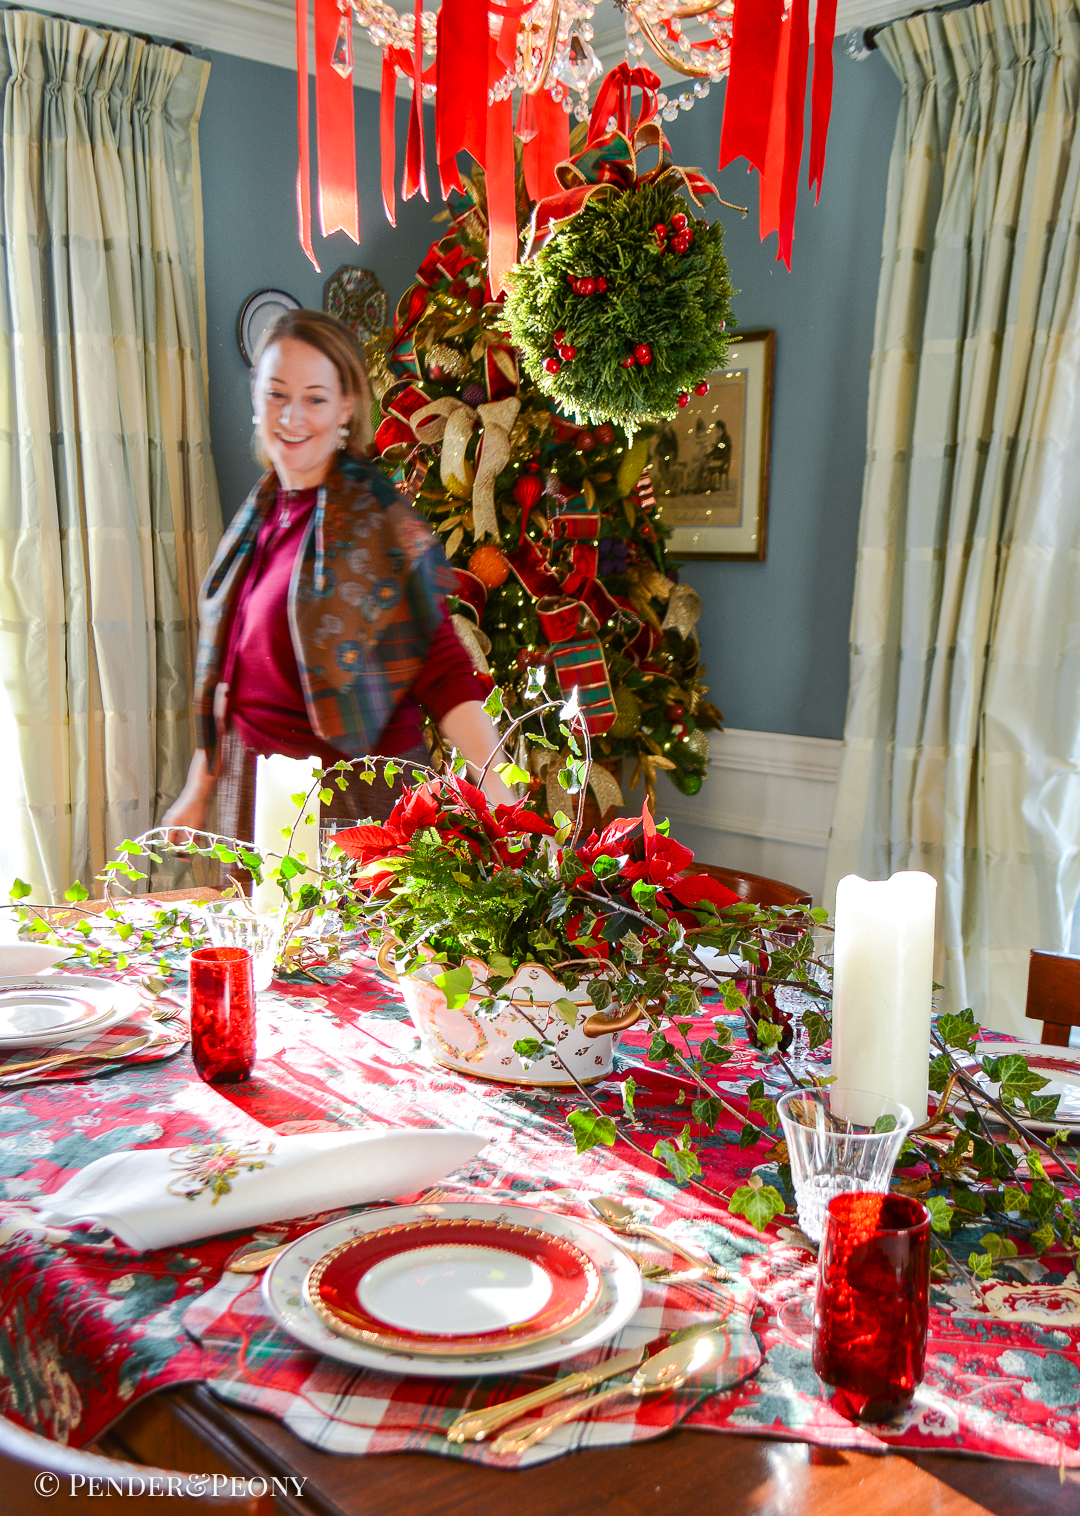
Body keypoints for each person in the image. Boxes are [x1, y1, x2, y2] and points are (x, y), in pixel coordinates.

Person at [162, 309, 514, 847]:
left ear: (346, 406)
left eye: (315, 398)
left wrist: (500, 788)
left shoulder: (377, 521)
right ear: (256, 396)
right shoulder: (257, 517)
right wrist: (199, 787)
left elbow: (442, 666)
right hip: (256, 800)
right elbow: (232, 673)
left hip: (352, 805)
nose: (292, 416)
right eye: (277, 393)